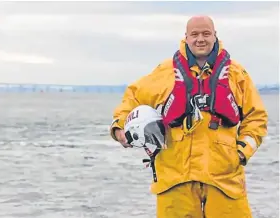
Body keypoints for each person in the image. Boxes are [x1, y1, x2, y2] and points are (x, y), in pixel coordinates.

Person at [109, 15, 268, 218]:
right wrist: (119, 127)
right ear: (186, 37)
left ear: (214, 35)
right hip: (175, 177)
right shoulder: (164, 72)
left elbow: (257, 118)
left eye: (205, 34)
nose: (200, 39)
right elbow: (133, 96)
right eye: (194, 34)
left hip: (224, 178)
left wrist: (241, 152)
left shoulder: (237, 74)